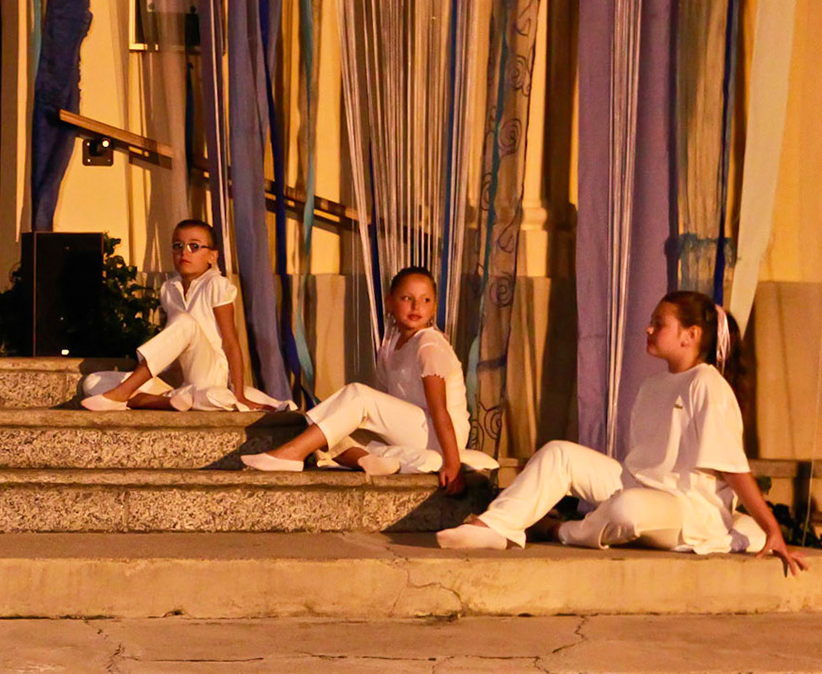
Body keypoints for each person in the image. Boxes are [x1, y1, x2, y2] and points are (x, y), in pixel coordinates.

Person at [437, 291, 808, 574]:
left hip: (686, 509)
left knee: (627, 508)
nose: (648, 329)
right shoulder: (652, 386)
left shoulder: (707, 385)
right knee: (559, 453)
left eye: (659, 323)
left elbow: (732, 468)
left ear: (689, 335)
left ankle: (559, 532)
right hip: (638, 485)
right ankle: (495, 527)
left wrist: (771, 528)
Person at [240, 266, 495, 487]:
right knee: (328, 421)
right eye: (407, 298)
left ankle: (292, 454)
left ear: (434, 305)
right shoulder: (390, 345)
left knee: (357, 396)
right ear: (389, 302)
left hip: (440, 433)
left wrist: (452, 464)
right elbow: (383, 408)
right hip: (412, 429)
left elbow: (440, 410)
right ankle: (366, 460)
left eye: (426, 300)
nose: (417, 307)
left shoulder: (429, 345)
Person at [80, 219, 289, 413]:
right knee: (93, 381)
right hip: (180, 382)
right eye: (177, 246)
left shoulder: (216, 284)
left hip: (209, 375)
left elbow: (231, 342)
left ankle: (129, 395)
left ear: (212, 256)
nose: (184, 253)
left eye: (194, 246)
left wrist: (240, 394)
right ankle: (168, 400)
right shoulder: (169, 288)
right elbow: (172, 346)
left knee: (215, 388)